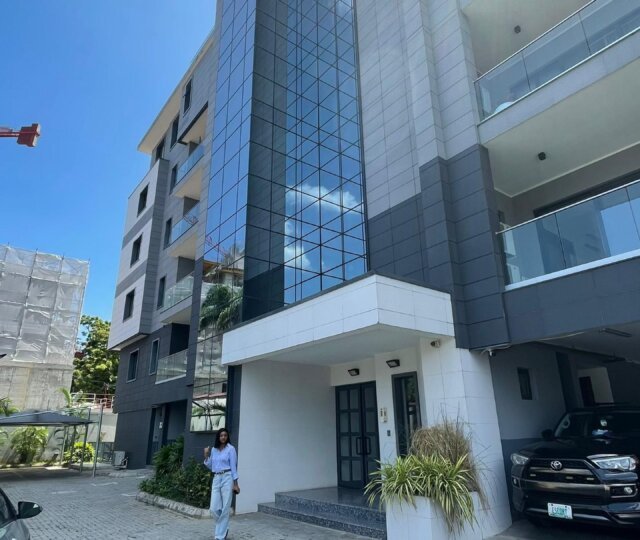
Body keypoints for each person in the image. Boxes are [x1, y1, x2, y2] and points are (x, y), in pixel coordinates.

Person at [204, 428, 240, 540]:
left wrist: (236, 483)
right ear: (218, 437)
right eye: (221, 435)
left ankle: (220, 536)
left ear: (227, 437)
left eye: (225, 435)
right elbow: (211, 466)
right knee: (214, 508)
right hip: (216, 478)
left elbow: (233, 467)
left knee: (225, 507)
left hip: (227, 478)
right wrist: (206, 455)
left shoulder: (231, 449)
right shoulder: (214, 450)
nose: (223, 437)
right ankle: (224, 528)